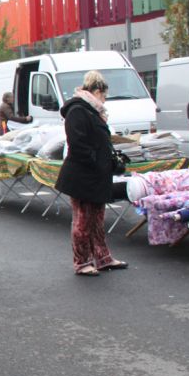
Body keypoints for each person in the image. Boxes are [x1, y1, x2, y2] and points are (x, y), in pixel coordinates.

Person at [54, 71, 129, 276]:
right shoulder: (78, 110)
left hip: (95, 174)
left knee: (96, 219)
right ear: (97, 91)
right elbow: (77, 144)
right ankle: (82, 262)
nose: (105, 100)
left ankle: (103, 258)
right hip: (84, 176)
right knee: (83, 221)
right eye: (104, 95)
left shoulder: (89, 110)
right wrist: (96, 163)